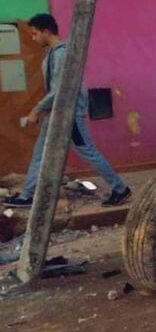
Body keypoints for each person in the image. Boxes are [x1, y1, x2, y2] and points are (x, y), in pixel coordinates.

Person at [4, 14, 131, 208]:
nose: (33, 38)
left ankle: (120, 189)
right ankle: (27, 195)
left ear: (46, 31)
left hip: (68, 116)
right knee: (40, 153)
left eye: (35, 33)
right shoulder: (52, 55)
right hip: (56, 114)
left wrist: (36, 110)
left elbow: (59, 90)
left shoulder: (63, 54)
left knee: (88, 152)